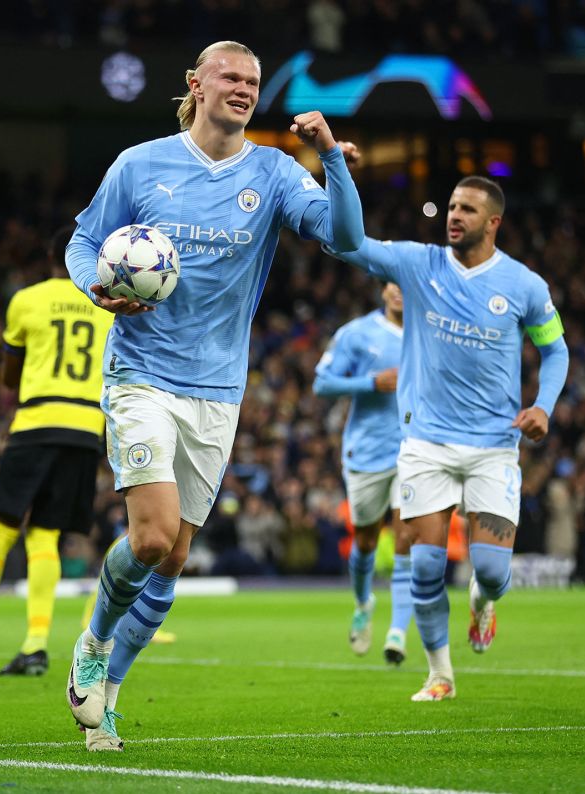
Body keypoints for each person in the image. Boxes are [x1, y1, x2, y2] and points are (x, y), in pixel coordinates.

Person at [63, 40, 364, 750]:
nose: (243, 87)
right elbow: (83, 243)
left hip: (218, 390)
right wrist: (98, 289)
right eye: (230, 76)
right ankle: (93, 641)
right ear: (195, 83)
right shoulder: (140, 164)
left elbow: (345, 239)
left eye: (253, 81)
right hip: (139, 374)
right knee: (153, 535)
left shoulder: (274, 171)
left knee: (172, 560)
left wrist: (334, 161)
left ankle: (107, 698)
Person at [326, 172, 569, 701]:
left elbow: (555, 351)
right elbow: (349, 241)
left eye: (466, 210)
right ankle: (440, 674)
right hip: (426, 443)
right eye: (452, 207)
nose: (454, 216)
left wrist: (543, 407)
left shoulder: (524, 286)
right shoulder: (418, 263)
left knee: (491, 571)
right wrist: (332, 164)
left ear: (494, 222)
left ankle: (484, 604)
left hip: (493, 445)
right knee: (427, 565)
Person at [0, 225, 107, 676]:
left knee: (1, 529)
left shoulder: (27, 299)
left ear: (49, 257)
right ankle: (35, 645)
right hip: (84, 428)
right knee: (45, 536)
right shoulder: (107, 304)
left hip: (37, 423)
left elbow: (8, 375)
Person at [313, 281, 415, 664]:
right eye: (393, 283)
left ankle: (397, 633)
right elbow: (322, 383)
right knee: (367, 541)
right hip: (368, 451)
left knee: (407, 537)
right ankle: (362, 601)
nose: (400, 291)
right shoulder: (357, 334)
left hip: (416, 449)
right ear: (383, 290)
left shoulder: (432, 330)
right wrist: (370, 383)